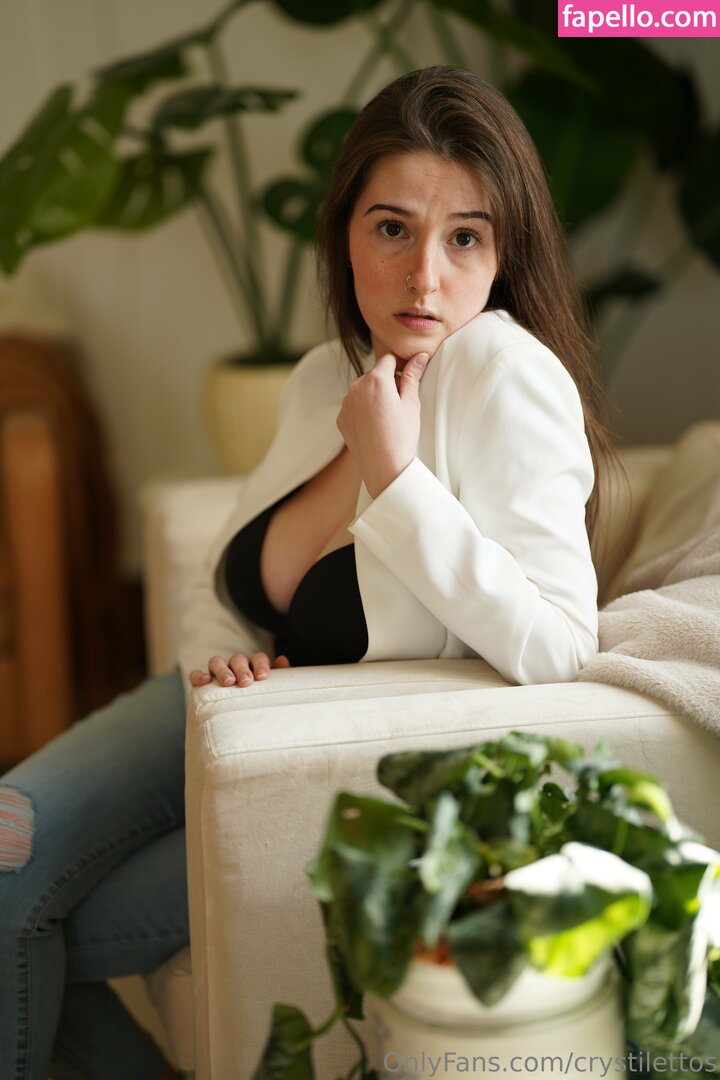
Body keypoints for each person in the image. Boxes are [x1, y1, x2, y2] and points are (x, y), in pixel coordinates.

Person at [0, 66, 613, 1079]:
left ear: (504, 252)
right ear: (344, 235)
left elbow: (561, 644)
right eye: (392, 228)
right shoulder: (326, 373)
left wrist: (398, 476)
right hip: (215, 709)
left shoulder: (507, 376)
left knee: (17, 910)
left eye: (465, 237)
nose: (425, 277)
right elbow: (236, 582)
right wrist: (230, 657)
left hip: (311, 773)